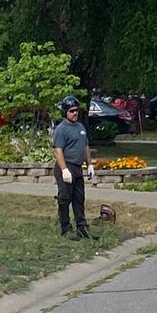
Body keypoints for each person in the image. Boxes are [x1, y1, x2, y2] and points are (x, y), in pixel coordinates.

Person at [51, 97, 92, 239]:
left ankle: (82, 228)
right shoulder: (61, 129)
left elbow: (85, 146)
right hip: (66, 166)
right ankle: (66, 229)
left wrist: (89, 164)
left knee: (79, 199)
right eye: (72, 111)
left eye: (76, 111)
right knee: (64, 198)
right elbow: (58, 151)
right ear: (65, 112)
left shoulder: (80, 127)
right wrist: (64, 170)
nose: (75, 113)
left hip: (78, 168)